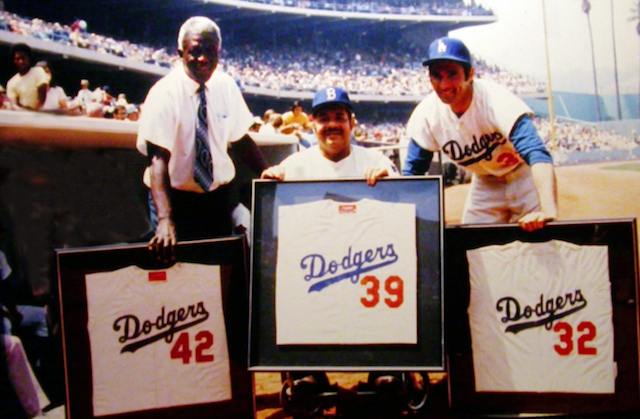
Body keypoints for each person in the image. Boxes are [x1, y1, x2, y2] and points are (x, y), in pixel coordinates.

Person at [262, 86, 407, 395]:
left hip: (367, 264)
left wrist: (389, 180)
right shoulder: (295, 165)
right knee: (292, 285)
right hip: (318, 267)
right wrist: (273, 182)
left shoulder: (374, 159)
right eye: (323, 118)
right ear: (312, 125)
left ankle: (387, 365)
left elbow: (404, 216)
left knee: (389, 284)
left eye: (339, 117)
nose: (331, 124)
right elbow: (275, 228)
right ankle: (306, 370)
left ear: (352, 123)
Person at [136, 16, 267, 262]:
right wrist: (166, 219)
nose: (204, 59)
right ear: (180, 52)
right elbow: (157, 159)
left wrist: (267, 173)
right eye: (195, 51)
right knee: (175, 274)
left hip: (215, 199)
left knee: (214, 273)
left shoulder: (226, 86)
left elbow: (241, 140)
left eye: (210, 51)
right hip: (175, 200)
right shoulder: (164, 93)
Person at [404, 37, 557, 232]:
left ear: (470, 75)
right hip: (485, 181)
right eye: (437, 75)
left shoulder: (495, 100)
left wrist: (548, 210)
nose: (444, 84)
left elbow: (537, 153)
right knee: (473, 249)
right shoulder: (427, 114)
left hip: (523, 175)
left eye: (452, 74)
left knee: (541, 243)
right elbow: (412, 173)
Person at [6, 43, 48, 111]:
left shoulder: (38, 71)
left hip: (39, 114)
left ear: (28, 58)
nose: (21, 61)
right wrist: (24, 113)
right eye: (17, 59)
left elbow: (42, 98)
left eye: (23, 58)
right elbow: (14, 105)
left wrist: (33, 113)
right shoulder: (11, 82)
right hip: (22, 116)